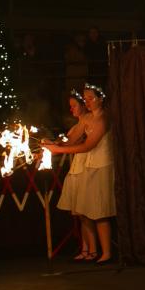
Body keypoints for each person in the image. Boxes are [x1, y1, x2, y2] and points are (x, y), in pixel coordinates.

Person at [42, 84, 116, 264]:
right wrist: (51, 145)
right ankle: (92, 250)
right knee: (88, 210)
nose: (87, 102)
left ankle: (107, 252)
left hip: (102, 165)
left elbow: (88, 146)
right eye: (86, 98)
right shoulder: (87, 119)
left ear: (101, 99)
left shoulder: (103, 119)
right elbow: (72, 139)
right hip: (90, 167)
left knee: (100, 210)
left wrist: (58, 150)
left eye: (91, 98)